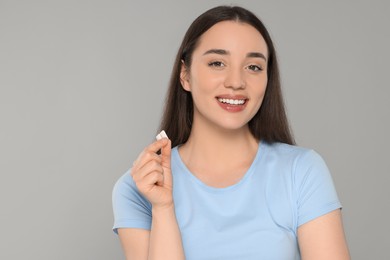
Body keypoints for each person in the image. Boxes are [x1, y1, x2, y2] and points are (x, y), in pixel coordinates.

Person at [112, 5, 350, 260]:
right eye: (217, 63)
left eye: (254, 67)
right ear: (185, 75)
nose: (236, 82)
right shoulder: (139, 187)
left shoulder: (302, 171)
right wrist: (163, 208)